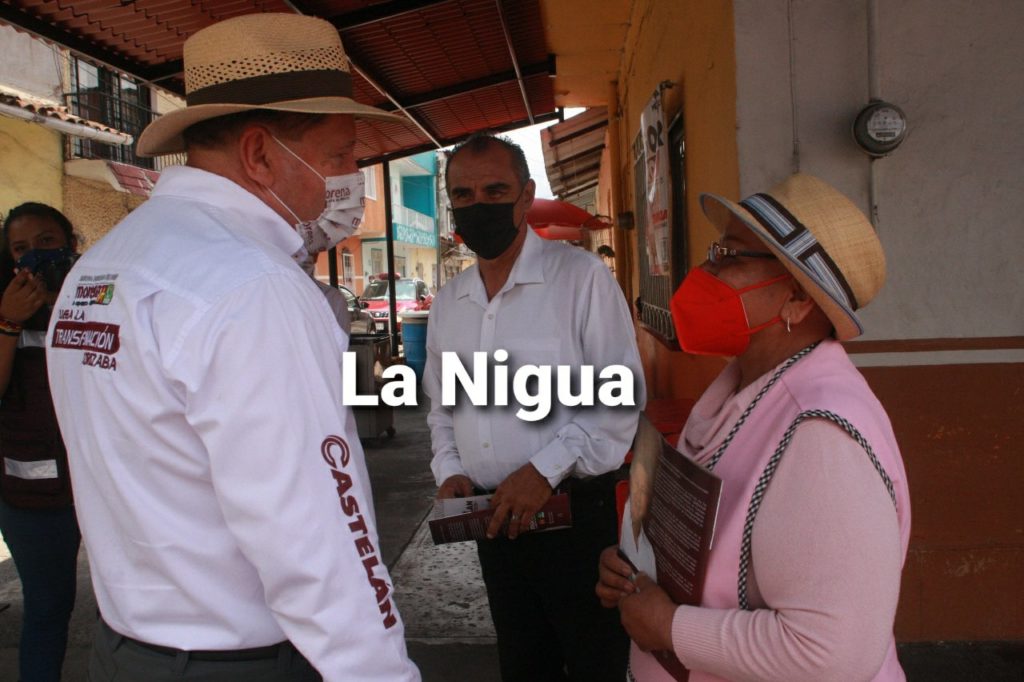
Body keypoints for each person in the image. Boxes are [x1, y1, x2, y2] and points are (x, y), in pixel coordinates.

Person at [45, 14, 419, 682]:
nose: (351, 176)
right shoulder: (253, 287)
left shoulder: (102, 267)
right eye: (339, 155)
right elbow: (318, 538)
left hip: (125, 652)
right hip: (242, 663)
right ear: (259, 154)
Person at [597, 173, 911, 681]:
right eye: (715, 250)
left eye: (731, 256)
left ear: (796, 300)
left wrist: (669, 626)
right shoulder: (746, 389)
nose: (705, 269)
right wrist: (638, 567)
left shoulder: (821, 434)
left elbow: (830, 652)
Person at [424, 133, 646, 682]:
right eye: (465, 195)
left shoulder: (580, 280)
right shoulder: (451, 303)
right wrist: (450, 470)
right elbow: (440, 407)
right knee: (523, 664)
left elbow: (618, 402)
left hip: (576, 520)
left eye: (495, 190)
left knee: (597, 662)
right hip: (495, 525)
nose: (480, 206)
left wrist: (544, 470)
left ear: (525, 197)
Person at [0, 202, 81, 682]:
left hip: (104, 486)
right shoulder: (4, 310)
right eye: (21, 248)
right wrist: (8, 321)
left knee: (132, 604)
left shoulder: (96, 299)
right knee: (48, 611)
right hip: (32, 498)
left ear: (70, 244)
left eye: (46, 243)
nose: (34, 256)